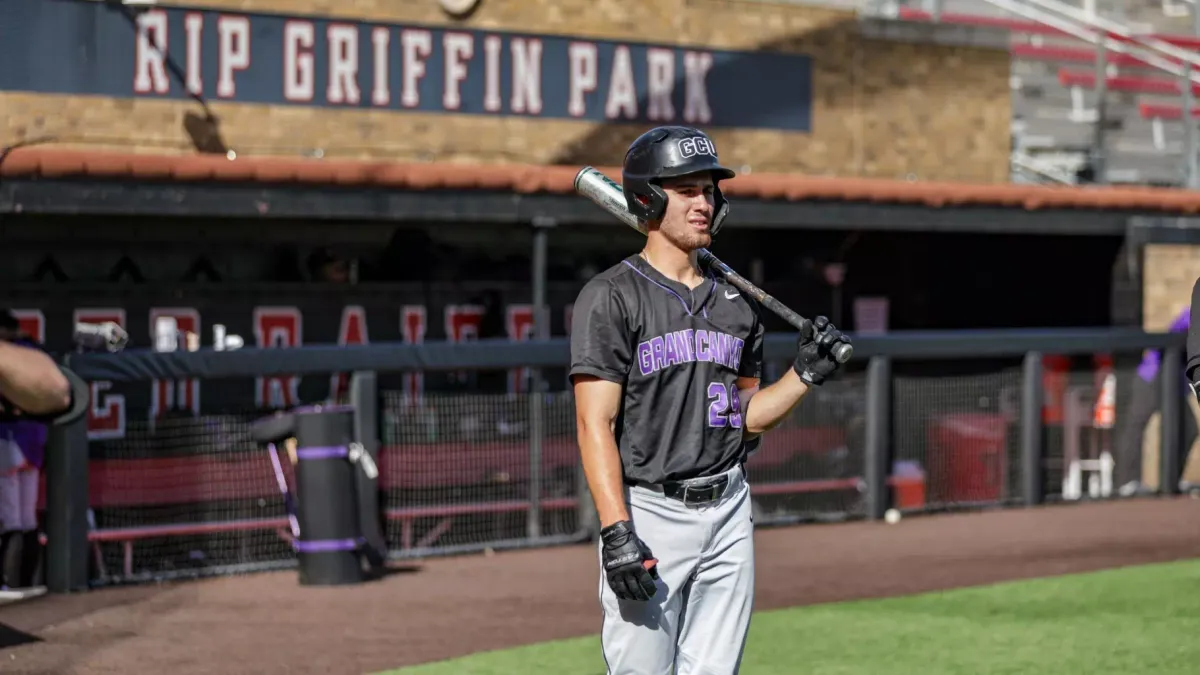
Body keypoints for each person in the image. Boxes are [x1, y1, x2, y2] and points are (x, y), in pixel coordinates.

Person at [569, 126, 850, 675]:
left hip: (728, 509)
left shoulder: (736, 306)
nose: (704, 202)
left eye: (709, 191)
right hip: (650, 509)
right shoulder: (611, 296)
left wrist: (804, 375)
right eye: (688, 190)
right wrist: (616, 530)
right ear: (648, 197)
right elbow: (593, 424)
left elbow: (744, 420)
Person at [1117, 304, 1196, 496]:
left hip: (1175, 381)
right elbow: (1174, 333)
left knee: (1190, 428)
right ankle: (1127, 482)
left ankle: (1172, 480)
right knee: (1137, 424)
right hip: (1153, 374)